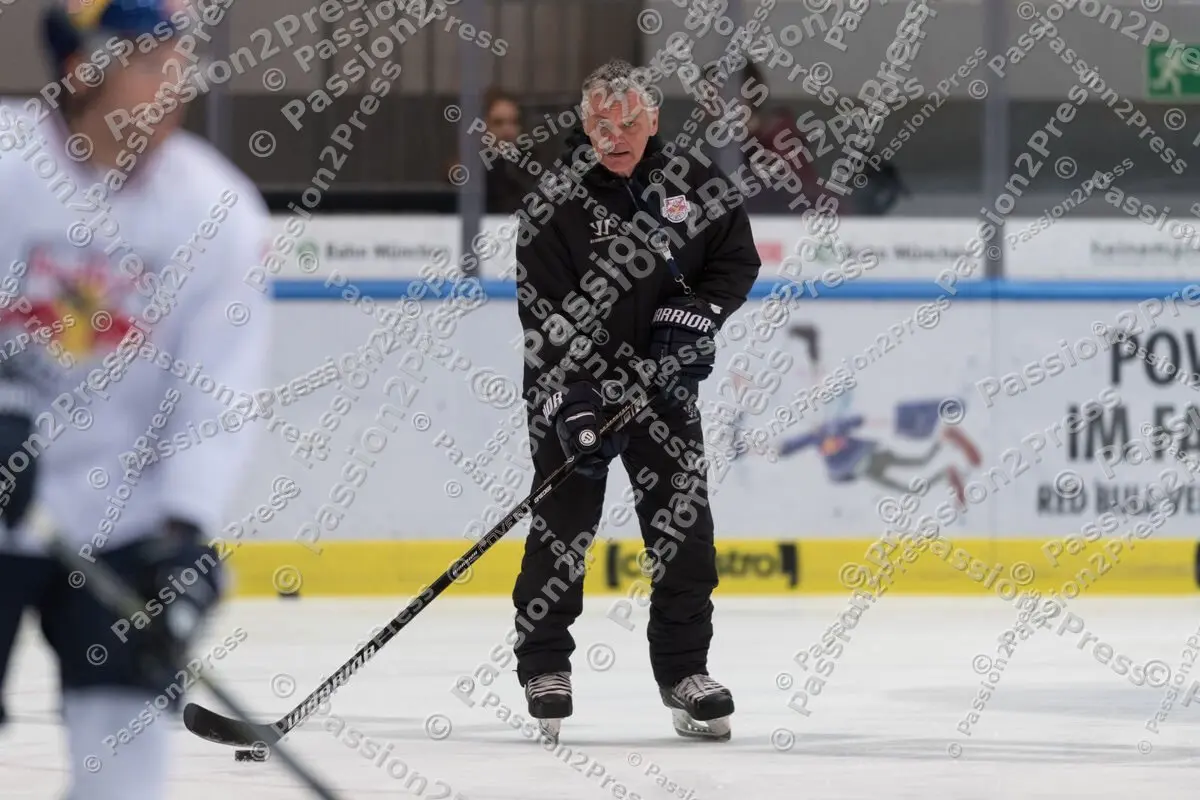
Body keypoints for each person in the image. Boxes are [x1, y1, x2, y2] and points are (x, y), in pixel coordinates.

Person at [0, 2, 271, 798]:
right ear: (83, 68)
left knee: (124, 765)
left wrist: (185, 531)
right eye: (151, 62)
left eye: (180, 61)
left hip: (127, 521)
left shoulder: (215, 211)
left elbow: (217, 393)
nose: (175, 83)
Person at [511, 58, 761, 742]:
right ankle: (543, 664)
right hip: (573, 394)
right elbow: (545, 318)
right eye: (600, 123)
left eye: (627, 123)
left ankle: (685, 671)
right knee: (562, 527)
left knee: (684, 531)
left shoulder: (693, 183)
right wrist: (575, 399)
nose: (613, 136)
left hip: (663, 391)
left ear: (652, 119)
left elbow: (736, 261)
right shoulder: (555, 201)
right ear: (584, 123)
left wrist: (696, 316)